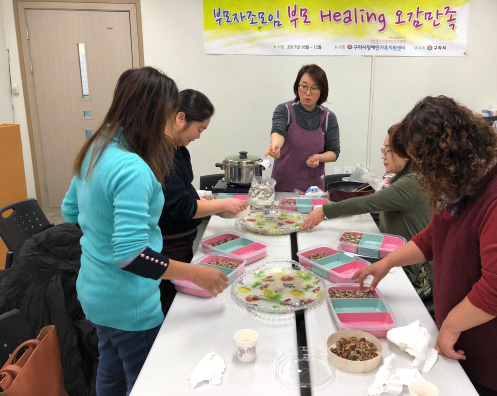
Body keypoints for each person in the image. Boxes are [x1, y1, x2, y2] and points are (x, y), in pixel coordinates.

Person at [354, 96, 497, 396]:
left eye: (424, 165)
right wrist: (387, 262)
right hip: (469, 341)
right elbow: (433, 237)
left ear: (447, 157)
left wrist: (450, 325)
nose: (421, 173)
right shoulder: (464, 182)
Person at [61, 67, 228, 396]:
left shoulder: (96, 148)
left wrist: (102, 235)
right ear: (155, 113)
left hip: (94, 292)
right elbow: (132, 256)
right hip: (130, 303)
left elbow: (70, 211)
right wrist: (195, 273)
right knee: (146, 381)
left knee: (110, 364)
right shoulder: (132, 168)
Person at [301, 124, 434, 302]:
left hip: (416, 277)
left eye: (388, 150)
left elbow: (368, 203)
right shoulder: (409, 176)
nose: (383, 156)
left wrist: (324, 211)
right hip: (401, 263)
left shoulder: (411, 183)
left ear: (406, 154)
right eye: (383, 150)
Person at [159, 88, 248, 314]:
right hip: (168, 246)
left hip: (182, 242)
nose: (199, 136)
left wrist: (211, 204)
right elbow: (182, 207)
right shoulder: (161, 154)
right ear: (180, 118)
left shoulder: (179, 149)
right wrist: (223, 205)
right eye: (199, 129)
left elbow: (185, 191)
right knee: (171, 306)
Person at [265, 64, 340, 192]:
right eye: (304, 86)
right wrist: (275, 145)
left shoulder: (328, 117)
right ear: (297, 86)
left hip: (313, 189)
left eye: (314, 88)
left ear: (321, 91)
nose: (308, 93)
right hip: (283, 185)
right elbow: (278, 131)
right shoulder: (284, 110)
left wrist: (319, 157)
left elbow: (334, 152)